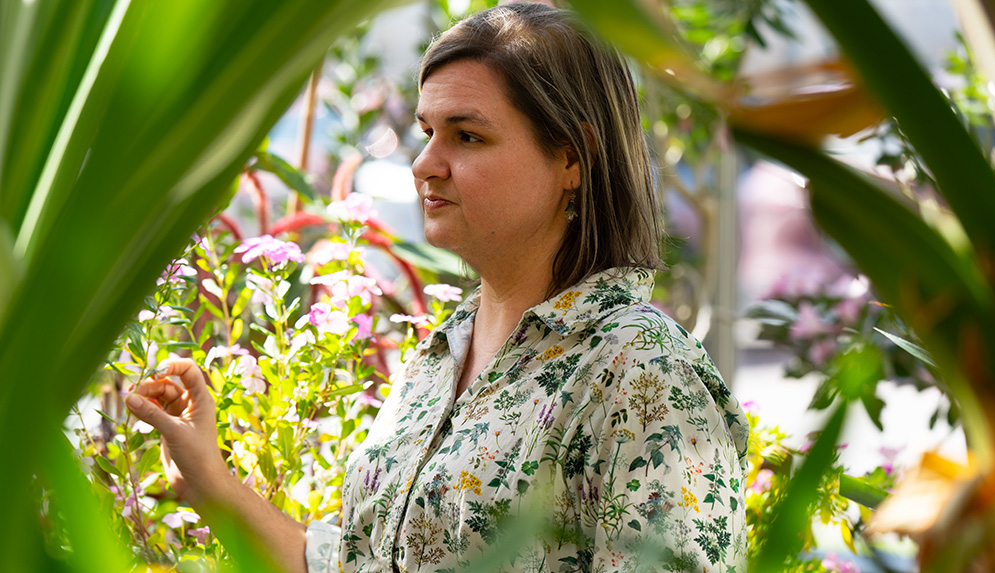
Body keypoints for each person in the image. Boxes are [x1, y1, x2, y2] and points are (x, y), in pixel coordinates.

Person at [126, 3, 749, 572]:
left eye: (467, 135)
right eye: (428, 131)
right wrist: (208, 476)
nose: (426, 162)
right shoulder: (441, 353)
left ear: (572, 157)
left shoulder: (643, 374)